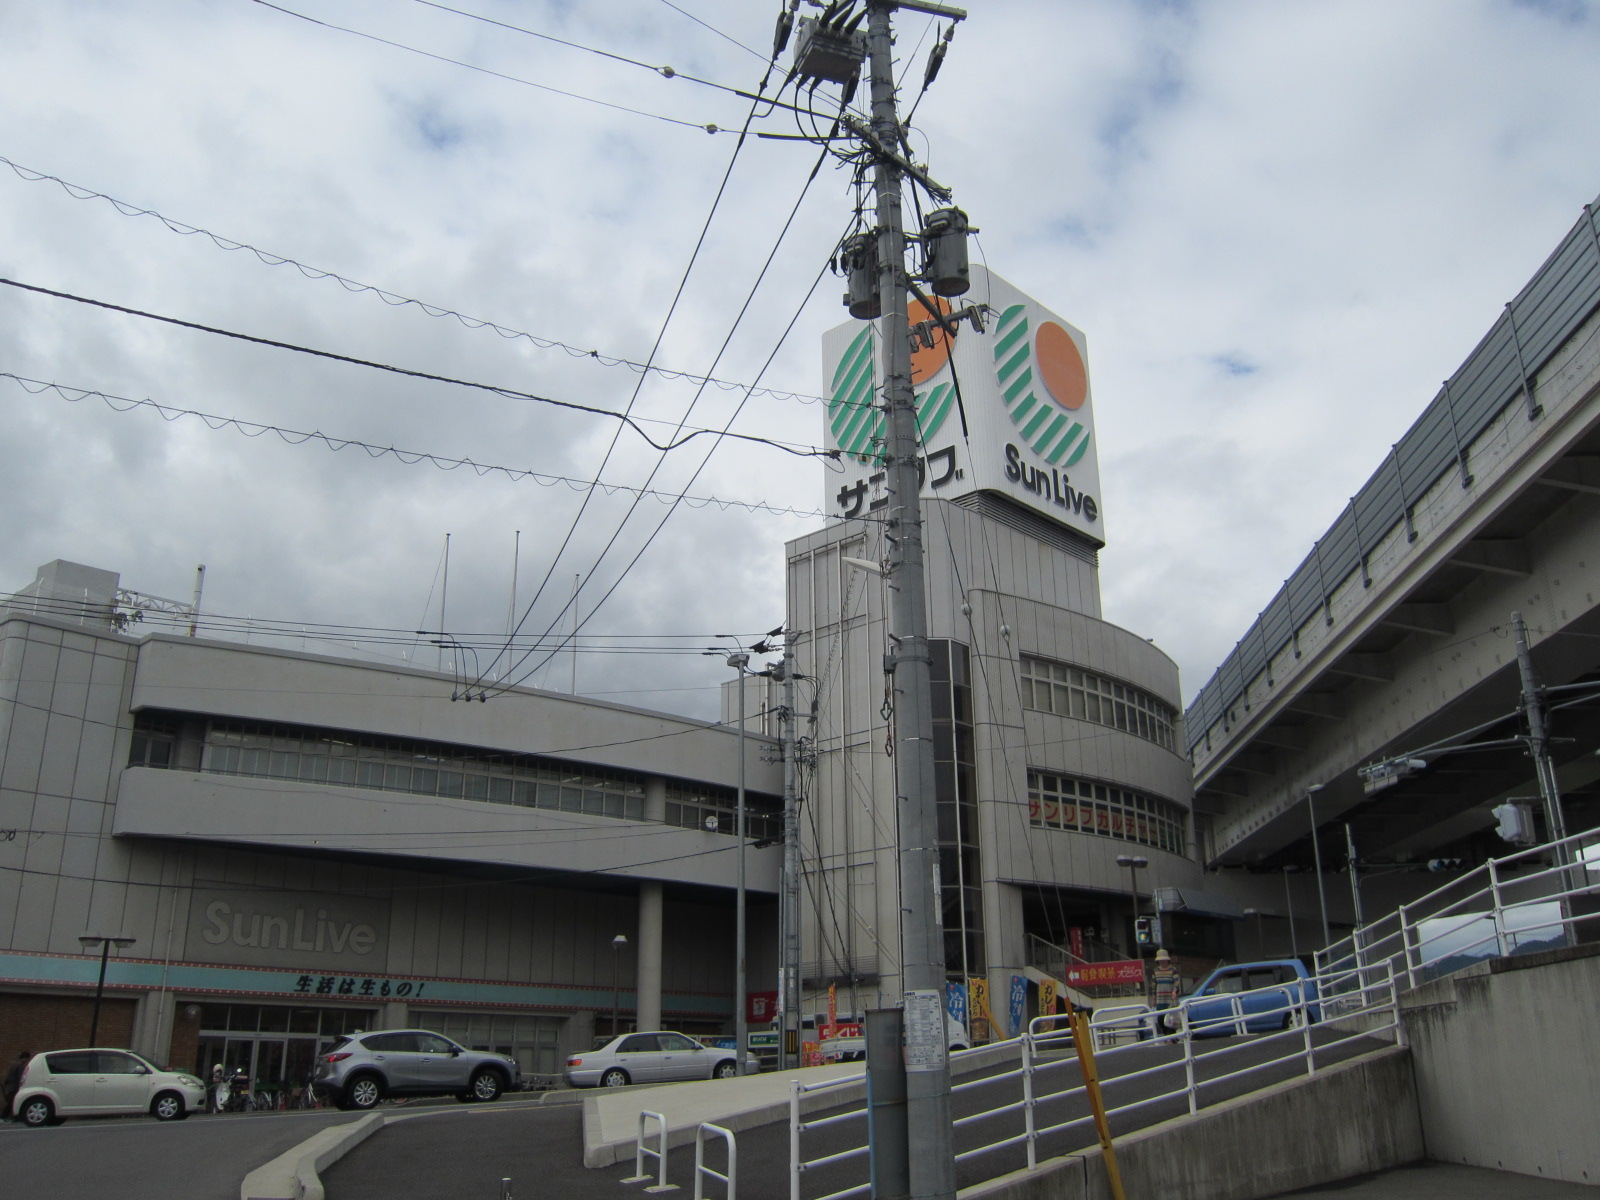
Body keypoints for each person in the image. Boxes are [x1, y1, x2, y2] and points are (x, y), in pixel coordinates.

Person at [1152, 949, 1182, 1034]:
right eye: (1160, 960)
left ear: (1167, 960)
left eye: (1164, 960)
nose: (1162, 962)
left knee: (1172, 1019)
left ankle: (1171, 1037)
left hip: (1170, 999)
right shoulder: (1155, 971)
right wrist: (1153, 999)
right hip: (1160, 999)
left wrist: (1174, 991)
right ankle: (1166, 1035)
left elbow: (1176, 982)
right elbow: (1153, 986)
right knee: (1161, 1019)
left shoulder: (1173, 970)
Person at [3, 1050, 32, 1120]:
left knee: (11, 1103)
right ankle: (10, 1117)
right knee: (13, 1103)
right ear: (25, 1058)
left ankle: (6, 1117)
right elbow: (21, 1077)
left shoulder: (14, 1065)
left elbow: (7, 1078)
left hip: (9, 1087)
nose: (28, 1060)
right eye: (28, 1059)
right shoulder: (21, 1066)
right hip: (14, 1087)